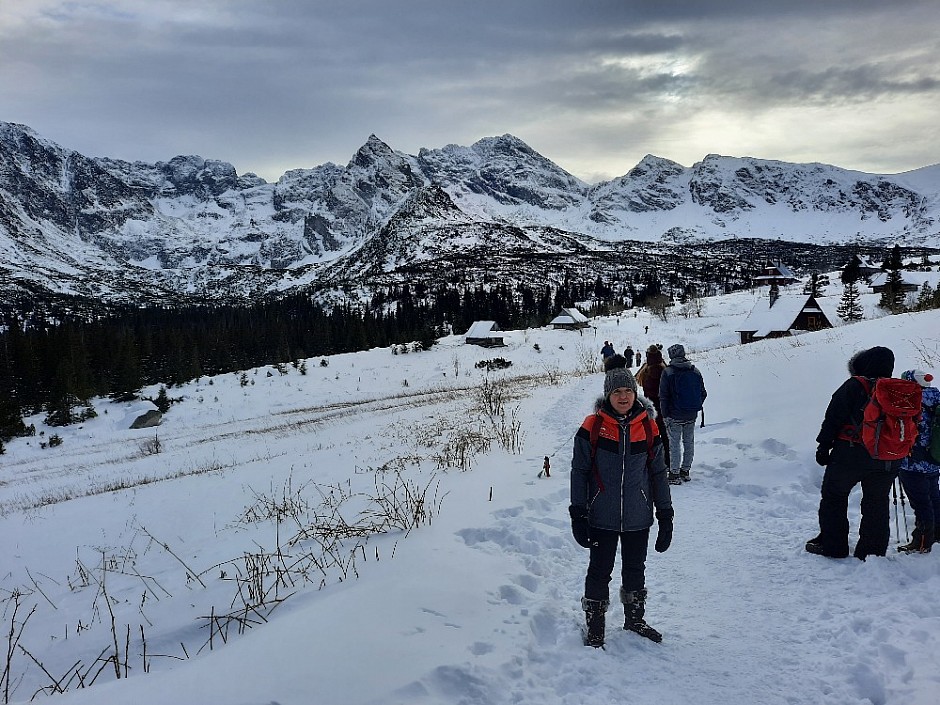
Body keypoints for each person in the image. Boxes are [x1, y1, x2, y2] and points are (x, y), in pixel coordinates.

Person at [569, 366, 673, 648]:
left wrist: (665, 514)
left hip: (638, 515)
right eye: (617, 391)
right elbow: (579, 471)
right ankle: (596, 624)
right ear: (608, 395)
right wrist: (578, 512)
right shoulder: (592, 426)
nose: (623, 396)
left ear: (635, 392)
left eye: (628, 390)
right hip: (600, 515)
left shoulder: (649, 426)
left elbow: (659, 472)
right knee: (599, 570)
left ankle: (635, 618)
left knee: (635, 569)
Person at [805, 346, 898, 560]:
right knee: (877, 502)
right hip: (888, 458)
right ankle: (872, 552)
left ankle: (833, 545)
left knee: (834, 496)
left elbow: (834, 418)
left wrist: (823, 445)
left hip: (850, 454)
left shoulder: (855, 385)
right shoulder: (896, 390)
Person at [897, 370, 939, 553]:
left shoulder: (911, 401)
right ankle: (937, 535)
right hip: (935, 459)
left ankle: (922, 542)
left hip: (913, 462)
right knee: (934, 498)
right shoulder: (937, 397)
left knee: (921, 503)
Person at [659, 344, 707, 484]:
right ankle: (685, 471)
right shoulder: (695, 371)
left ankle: (674, 474)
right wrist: (694, 406)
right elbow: (703, 393)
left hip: (674, 415)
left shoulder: (668, 372)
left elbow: (664, 396)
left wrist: (665, 414)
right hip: (691, 414)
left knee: (674, 444)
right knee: (689, 442)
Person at [637, 345, 670, 468]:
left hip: (651, 411)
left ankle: (652, 463)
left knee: (651, 438)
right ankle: (668, 461)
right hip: (665, 410)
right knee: (666, 438)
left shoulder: (645, 372)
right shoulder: (666, 372)